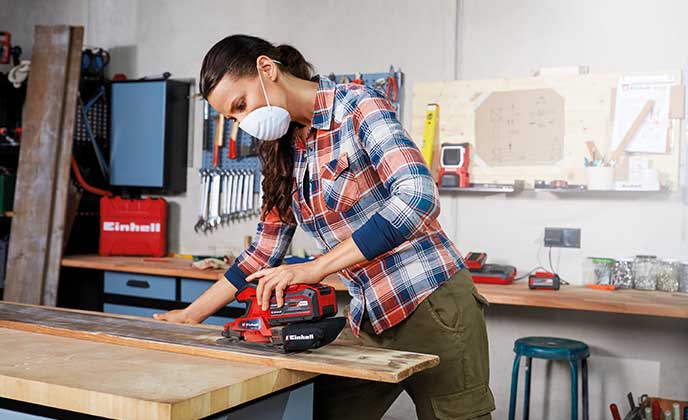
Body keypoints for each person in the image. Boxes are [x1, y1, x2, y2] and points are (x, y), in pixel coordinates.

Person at [153, 34, 495, 420]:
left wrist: (315, 268)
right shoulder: (284, 149)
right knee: (316, 411)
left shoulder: (357, 106)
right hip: (369, 316)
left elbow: (417, 196)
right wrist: (191, 315)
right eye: (233, 118)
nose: (243, 123)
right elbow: (263, 251)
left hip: (434, 305)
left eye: (241, 105)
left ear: (267, 69)